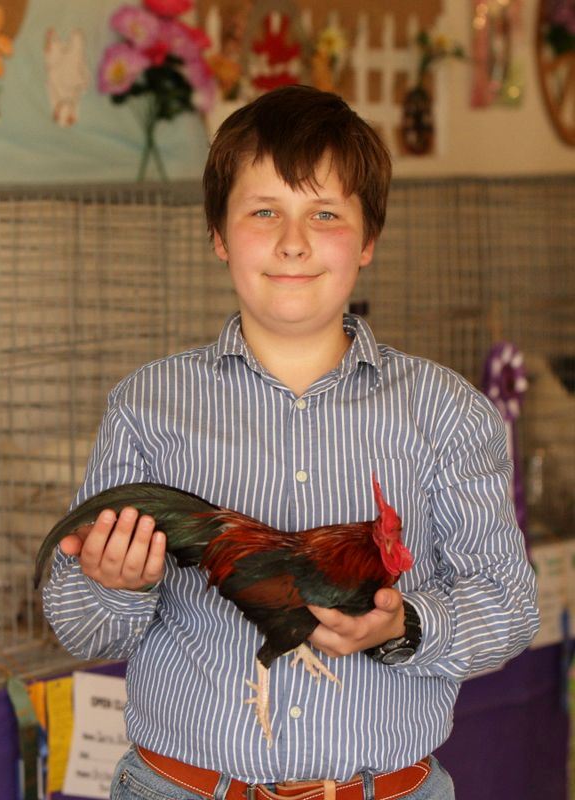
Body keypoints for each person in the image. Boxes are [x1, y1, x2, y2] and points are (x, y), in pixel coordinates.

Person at [43, 85, 539, 800]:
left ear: (368, 239)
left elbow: (510, 605)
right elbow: (82, 629)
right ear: (218, 233)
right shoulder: (148, 406)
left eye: (326, 213)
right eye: (264, 210)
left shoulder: (447, 411)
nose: (293, 241)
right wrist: (116, 586)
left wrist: (404, 629)